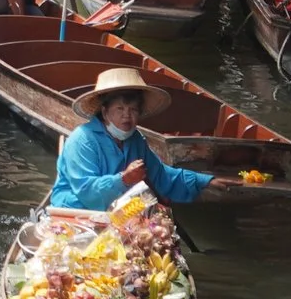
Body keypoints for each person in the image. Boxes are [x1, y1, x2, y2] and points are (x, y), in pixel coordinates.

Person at [51, 67, 214, 209]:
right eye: (119, 109)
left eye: (133, 110)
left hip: (120, 210)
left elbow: (160, 174)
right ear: (105, 111)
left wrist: (204, 181)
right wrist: (123, 179)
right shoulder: (82, 139)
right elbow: (87, 192)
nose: (127, 116)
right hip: (75, 209)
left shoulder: (135, 139)